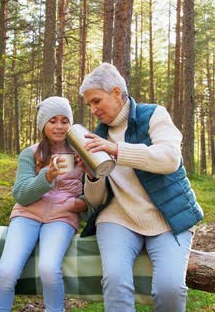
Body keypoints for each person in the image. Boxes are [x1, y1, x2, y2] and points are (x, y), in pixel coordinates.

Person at [78, 63, 204, 312]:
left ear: (116, 92)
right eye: (89, 105)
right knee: (115, 281)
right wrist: (92, 177)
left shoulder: (154, 115)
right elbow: (95, 201)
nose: (92, 110)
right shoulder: (97, 135)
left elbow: (170, 159)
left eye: (96, 101)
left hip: (166, 216)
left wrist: (116, 150)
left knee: (169, 288)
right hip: (118, 217)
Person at [0, 96, 89, 312]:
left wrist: (78, 204)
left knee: (49, 269)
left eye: (65, 121)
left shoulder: (82, 153)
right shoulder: (30, 153)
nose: (59, 126)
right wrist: (47, 176)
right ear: (42, 124)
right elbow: (21, 195)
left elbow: (92, 195)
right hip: (27, 215)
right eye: (53, 120)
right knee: (7, 272)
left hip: (62, 217)